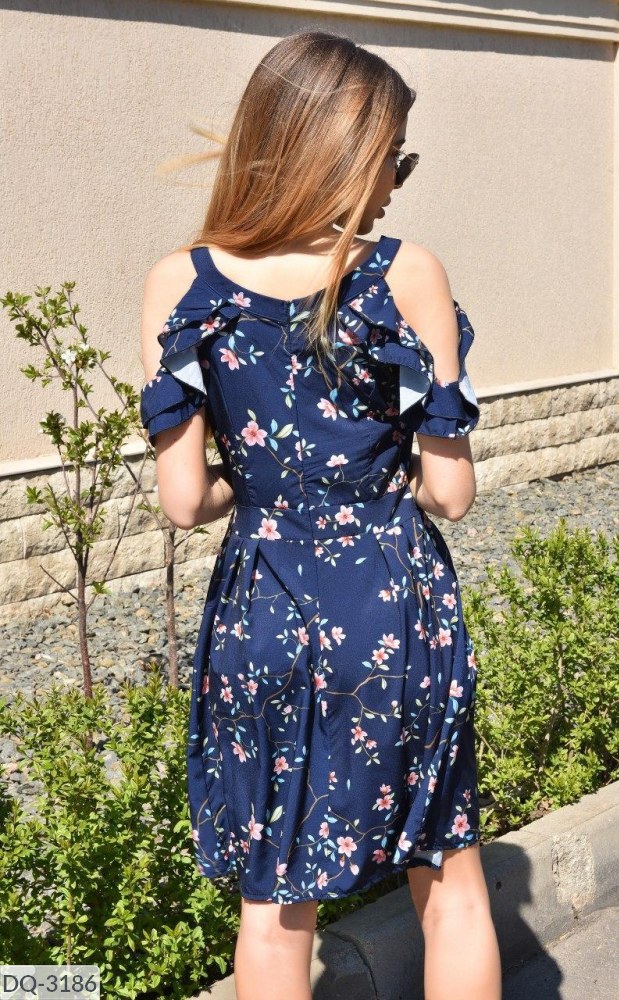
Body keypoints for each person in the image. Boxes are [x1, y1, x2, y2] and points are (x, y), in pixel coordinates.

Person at [139, 28, 501, 1000]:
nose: (393, 188)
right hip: (392, 602)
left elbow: (185, 499)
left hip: (264, 606)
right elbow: (450, 493)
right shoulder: (405, 275)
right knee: (450, 883)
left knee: (273, 910)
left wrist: (258, 487)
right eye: (393, 160)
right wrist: (376, 471)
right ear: (342, 152)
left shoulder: (184, 284)